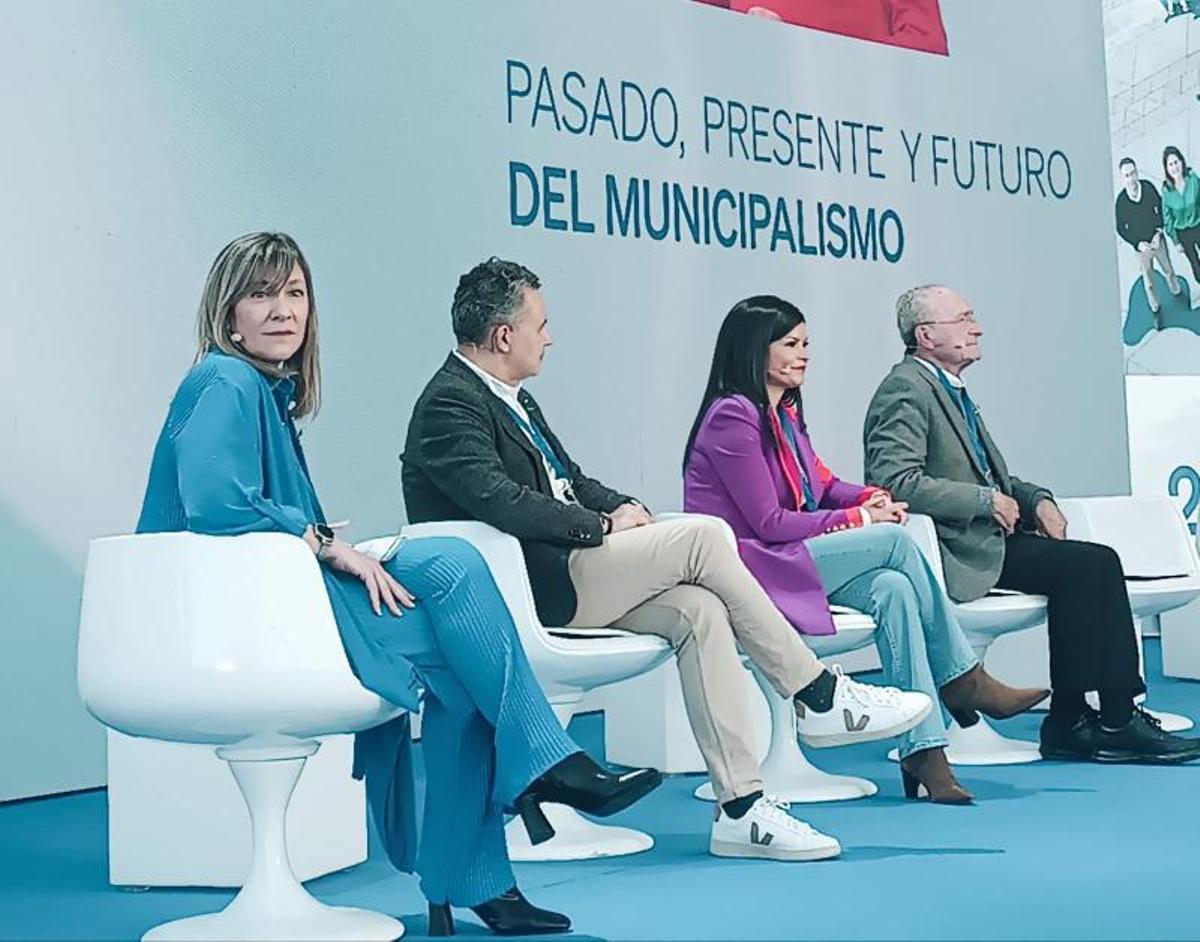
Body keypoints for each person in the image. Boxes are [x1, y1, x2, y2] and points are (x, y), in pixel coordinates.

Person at [136, 233, 662, 937]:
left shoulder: (264, 390)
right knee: (458, 628)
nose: (283, 309)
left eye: (295, 292)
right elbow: (217, 504)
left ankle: (499, 836)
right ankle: (517, 805)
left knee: (452, 574)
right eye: (262, 294)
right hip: (236, 614)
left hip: (272, 592)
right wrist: (327, 545)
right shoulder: (225, 381)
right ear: (228, 313)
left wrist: (331, 547)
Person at [403, 257, 932, 861]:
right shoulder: (452, 405)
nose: (549, 337)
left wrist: (624, 505)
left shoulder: (507, 398)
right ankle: (817, 692)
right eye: (541, 324)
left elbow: (568, 480)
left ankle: (742, 810)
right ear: (504, 336)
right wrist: (603, 524)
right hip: (531, 588)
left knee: (699, 609)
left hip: (566, 571)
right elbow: (504, 503)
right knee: (705, 537)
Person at [681, 296, 1046, 803]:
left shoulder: (782, 412)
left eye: (806, 343)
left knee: (894, 589)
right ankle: (962, 679)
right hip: (750, 566)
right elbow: (768, 522)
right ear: (753, 351)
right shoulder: (732, 418)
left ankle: (924, 752)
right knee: (894, 540)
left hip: (788, 558)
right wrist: (860, 519)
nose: (804, 354)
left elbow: (823, 485)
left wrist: (868, 498)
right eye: (790, 345)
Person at [863, 284, 1200, 764]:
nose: (976, 327)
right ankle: (1105, 717)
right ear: (926, 335)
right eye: (963, 319)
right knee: (1091, 565)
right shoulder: (906, 390)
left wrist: (1036, 499)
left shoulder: (946, 389)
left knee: (1086, 567)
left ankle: (1077, 719)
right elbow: (895, 482)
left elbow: (989, 474)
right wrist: (985, 501)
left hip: (987, 538)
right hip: (959, 548)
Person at [1115, 156, 1181, 326]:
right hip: (1141, 249)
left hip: (1157, 240)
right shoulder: (1121, 202)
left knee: (1169, 269)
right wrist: (1137, 243)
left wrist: (1159, 232)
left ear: (1137, 172)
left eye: (1132, 173)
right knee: (1149, 281)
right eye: (1127, 175)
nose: (1131, 178)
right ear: (1122, 178)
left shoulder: (1148, 188)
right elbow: (1121, 228)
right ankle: (1155, 309)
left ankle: (1176, 291)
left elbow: (1160, 207)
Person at [1162, 145, 1200, 284]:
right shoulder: (1167, 191)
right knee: (1195, 263)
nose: (1174, 167)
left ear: (1182, 162)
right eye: (1170, 164)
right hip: (1183, 232)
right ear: (1166, 168)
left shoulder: (1193, 179)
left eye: (1176, 162)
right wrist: (1176, 241)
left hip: (1198, 224)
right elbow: (1168, 219)